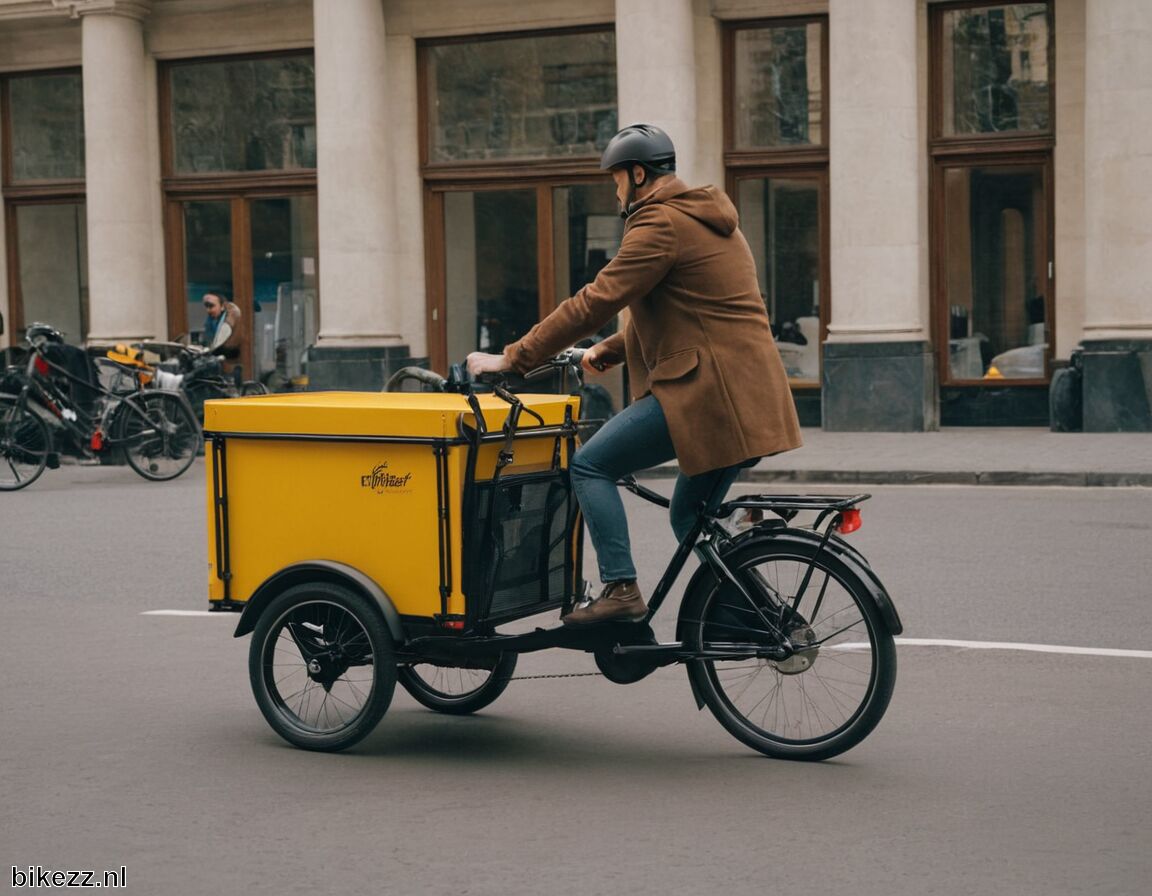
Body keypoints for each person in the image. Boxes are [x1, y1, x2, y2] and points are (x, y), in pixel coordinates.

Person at [467, 123, 801, 625]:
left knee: (589, 466)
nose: (616, 189)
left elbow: (595, 300)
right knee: (687, 516)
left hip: (707, 395)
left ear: (638, 174)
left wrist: (514, 359)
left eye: (617, 179)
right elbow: (697, 312)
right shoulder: (706, 217)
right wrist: (612, 349)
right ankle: (762, 618)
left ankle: (620, 591)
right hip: (747, 395)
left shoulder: (659, 223)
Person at [199, 292, 244, 373]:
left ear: (222, 306)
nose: (208, 310)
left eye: (211, 306)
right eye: (206, 306)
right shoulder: (211, 320)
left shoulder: (230, 316)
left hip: (229, 365)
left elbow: (223, 337)